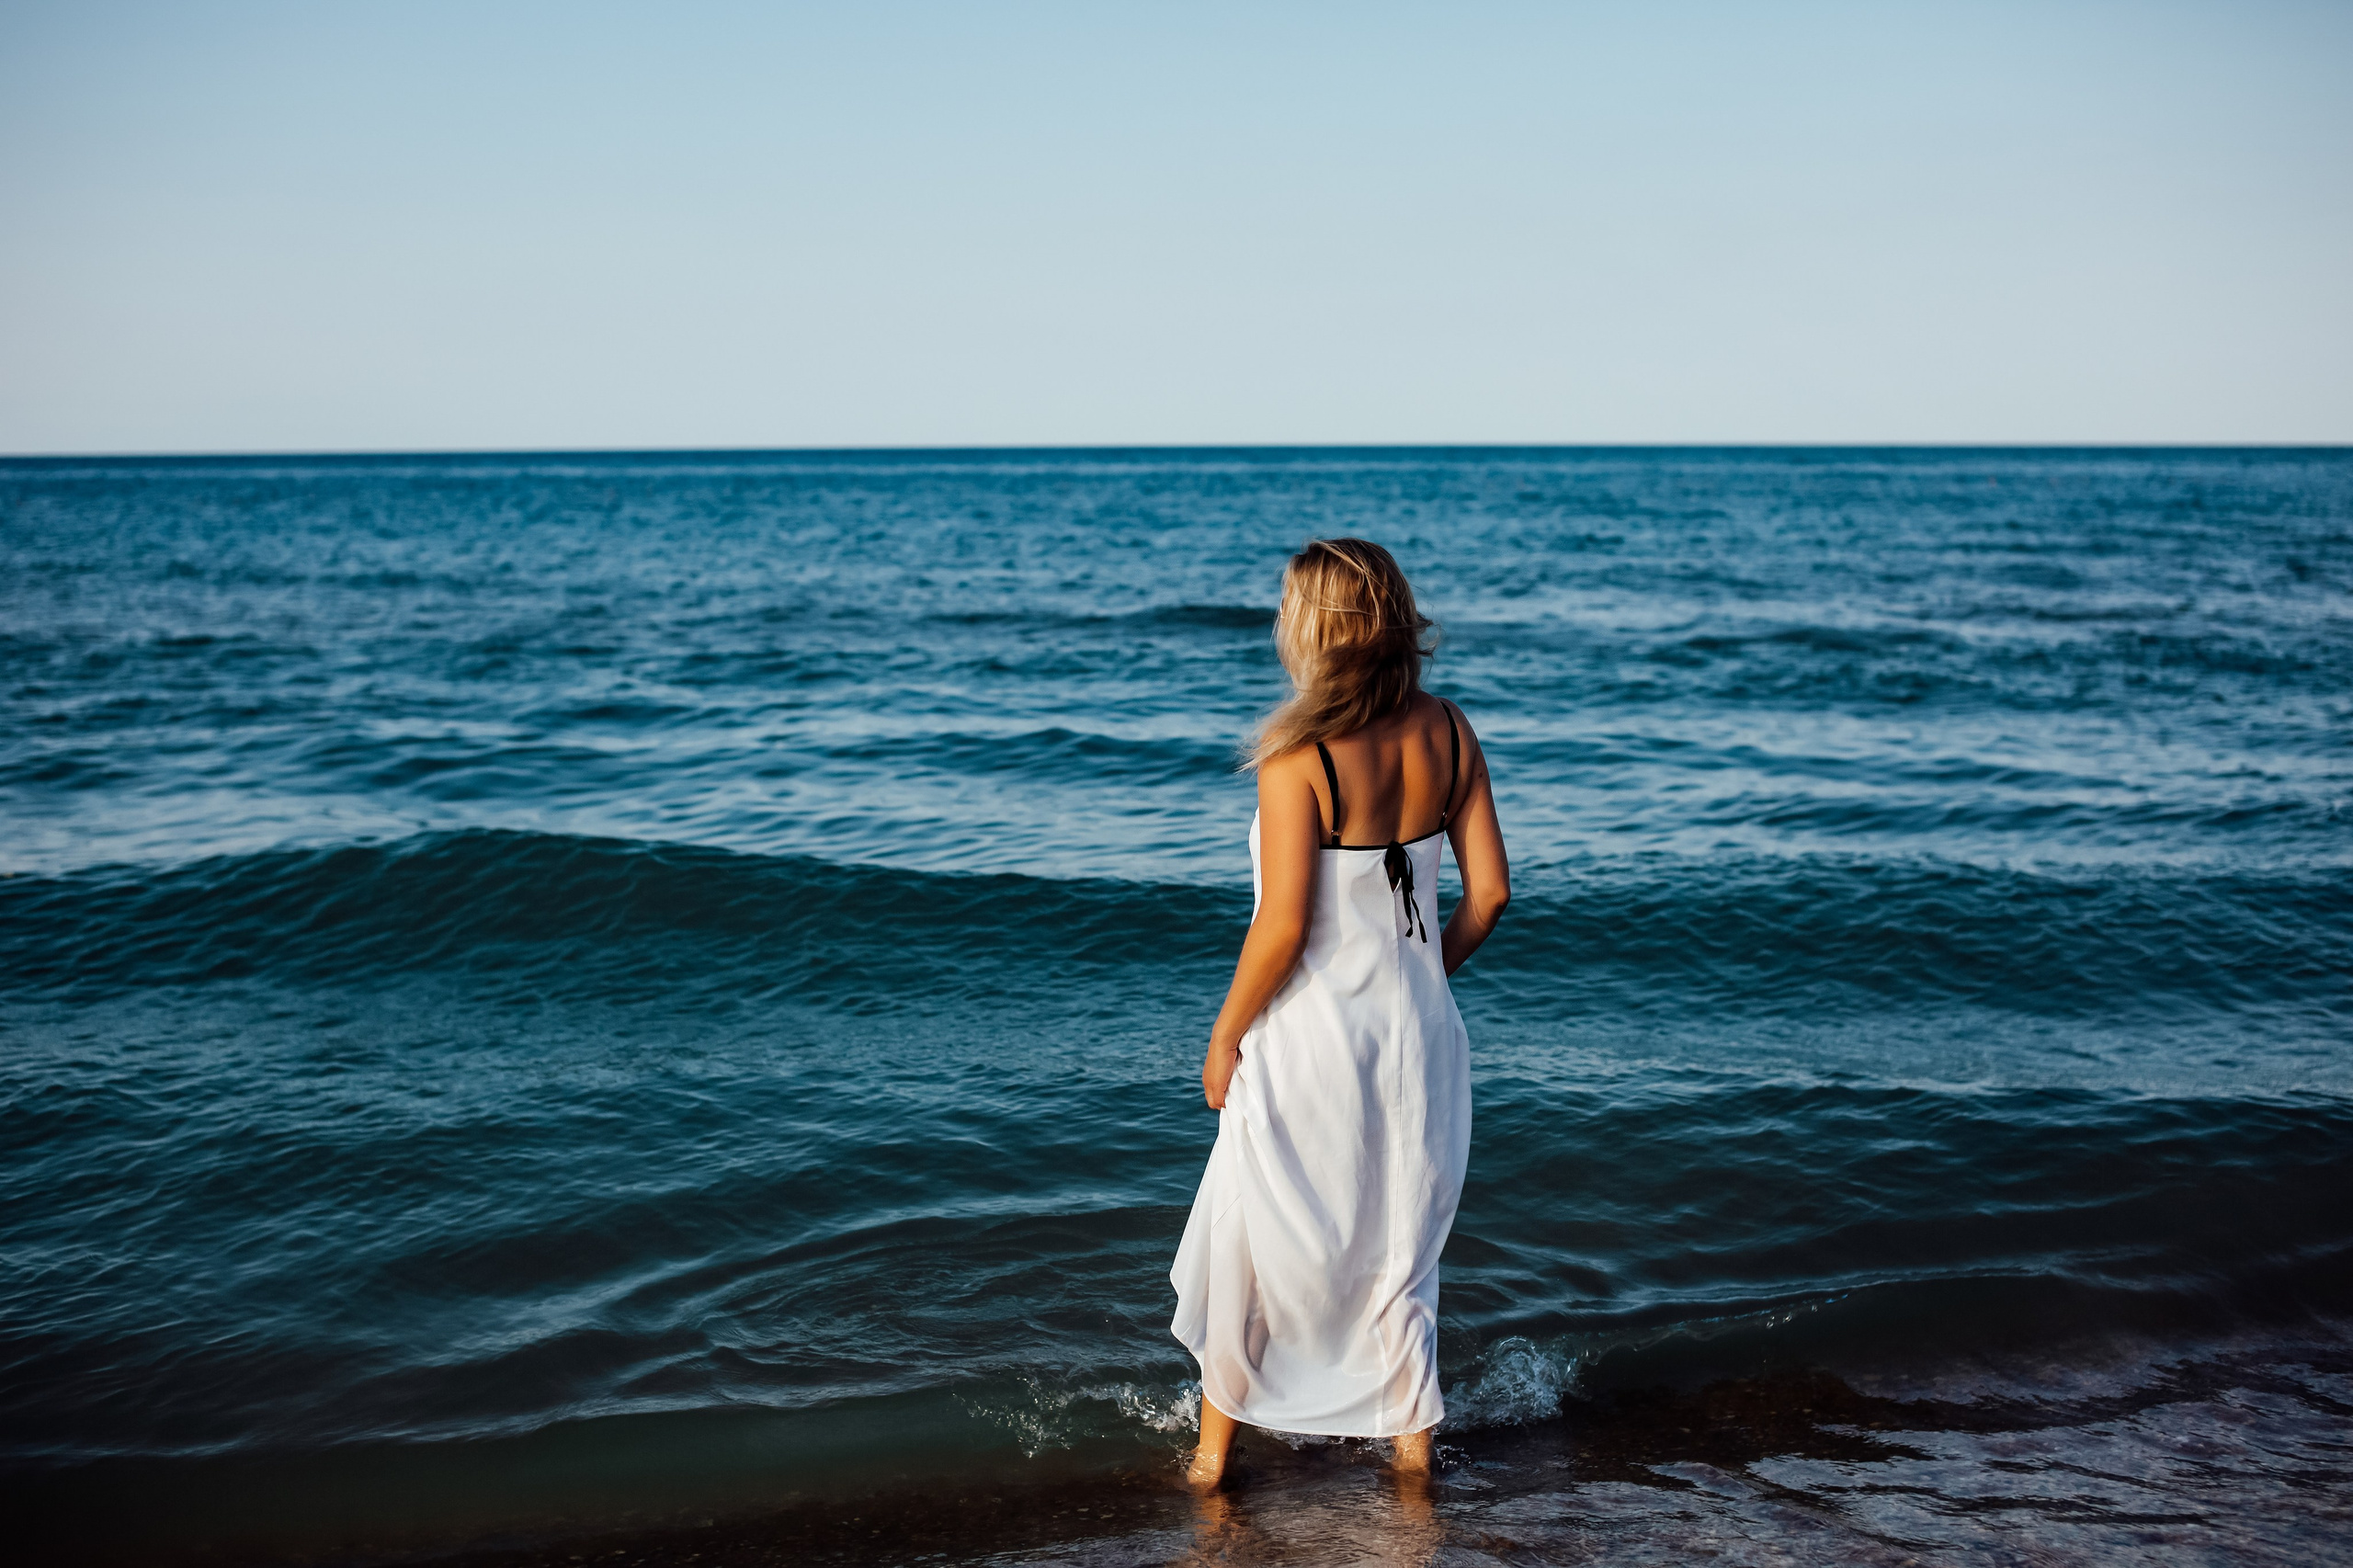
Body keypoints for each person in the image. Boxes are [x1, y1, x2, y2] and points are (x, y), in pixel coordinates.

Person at [1169, 537, 1510, 1488]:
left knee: (1254, 1233)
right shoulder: (1449, 730)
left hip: (1311, 1037)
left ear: (1313, 628)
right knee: (1398, 1245)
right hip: (1419, 1034)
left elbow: (1281, 926)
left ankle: (1210, 1464)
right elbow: (1491, 893)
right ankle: (1412, 1470)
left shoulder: (1298, 756)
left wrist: (1224, 1032)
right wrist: (1426, 972)